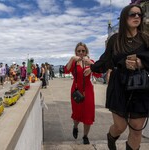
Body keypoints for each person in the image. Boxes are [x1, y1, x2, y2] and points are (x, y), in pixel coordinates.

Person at [84, 4, 149, 150]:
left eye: (139, 14)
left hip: (140, 86)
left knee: (136, 128)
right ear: (125, 17)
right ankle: (111, 137)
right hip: (119, 85)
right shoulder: (115, 39)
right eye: (133, 14)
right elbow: (106, 60)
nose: (137, 17)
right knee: (120, 126)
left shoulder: (146, 39)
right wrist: (92, 66)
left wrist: (141, 62)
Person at [64, 42, 101, 144]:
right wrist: (72, 59)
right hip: (76, 90)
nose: (81, 52)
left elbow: (98, 74)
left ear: (86, 52)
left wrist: (91, 64)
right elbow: (66, 70)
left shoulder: (90, 62)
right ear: (76, 52)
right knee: (77, 112)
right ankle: (75, 127)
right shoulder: (74, 62)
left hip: (88, 91)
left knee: (88, 114)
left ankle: (85, 136)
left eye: (83, 51)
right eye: (79, 51)